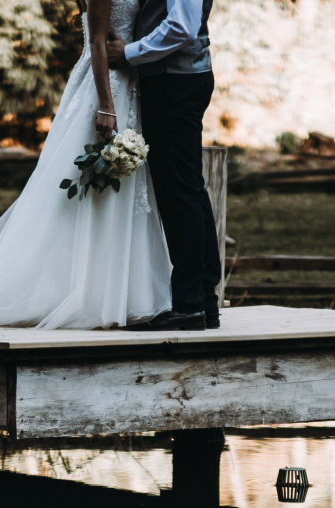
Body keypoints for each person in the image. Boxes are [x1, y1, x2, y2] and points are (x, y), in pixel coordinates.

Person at [0, 0, 171, 330]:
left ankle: (118, 293)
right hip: (105, 87)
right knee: (84, 187)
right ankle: (75, 292)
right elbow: (96, 40)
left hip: (128, 84)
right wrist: (106, 105)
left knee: (119, 192)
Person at [107, 0, 222, 331]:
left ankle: (189, 306)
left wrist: (129, 53)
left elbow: (182, 27)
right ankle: (202, 301)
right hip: (178, 79)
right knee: (187, 189)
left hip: (175, 81)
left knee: (178, 193)